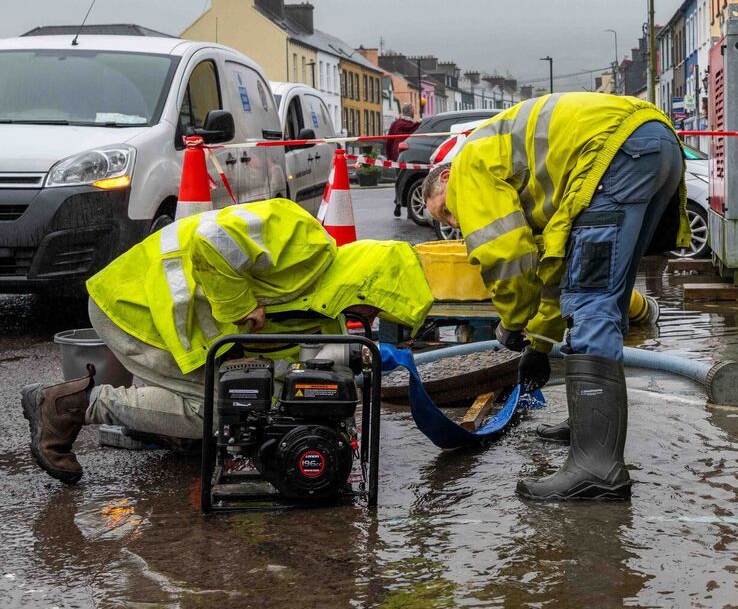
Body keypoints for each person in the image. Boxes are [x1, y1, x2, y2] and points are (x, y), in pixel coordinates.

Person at [20, 198, 433, 485]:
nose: (370, 321)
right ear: (371, 287)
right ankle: (67, 406)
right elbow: (211, 240)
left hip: (158, 314)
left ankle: (167, 428)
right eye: (378, 311)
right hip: (136, 308)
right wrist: (238, 304)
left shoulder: (318, 307)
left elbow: (281, 369)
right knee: (217, 411)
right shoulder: (301, 238)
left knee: (246, 392)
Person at [422, 92, 688, 501]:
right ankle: (588, 432)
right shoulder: (513, 164)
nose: (455, 223)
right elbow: (554, 273)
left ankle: (596, 467)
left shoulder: (468, 168)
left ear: (444, 178)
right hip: (652, 144)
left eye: (445, 213)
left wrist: (512, 326)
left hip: (615, 154)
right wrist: (541, 344)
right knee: (605, 298)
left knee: (592, 301)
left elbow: (509, 260)